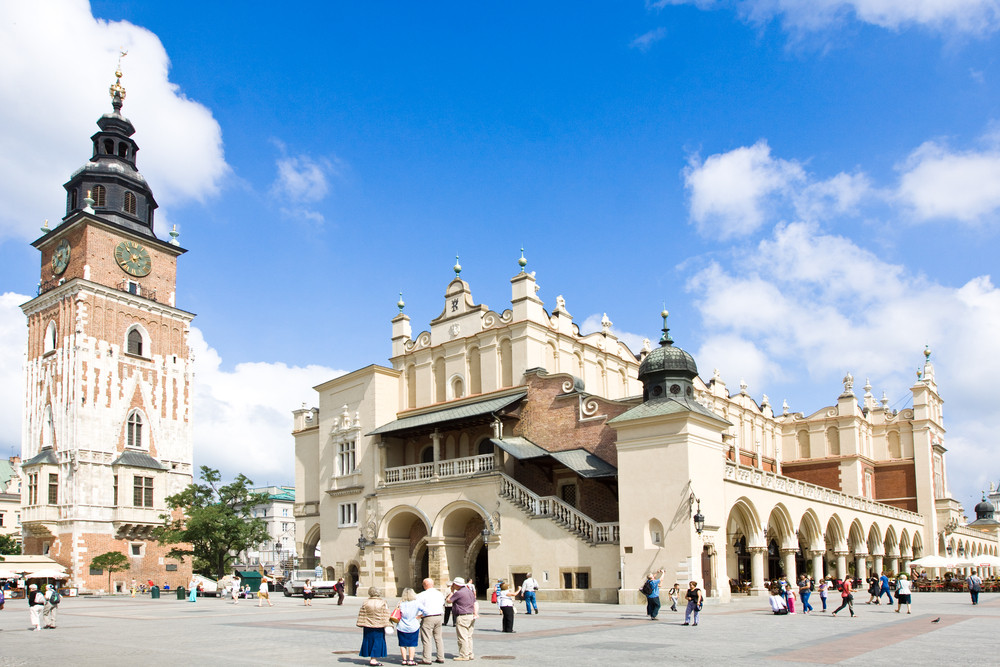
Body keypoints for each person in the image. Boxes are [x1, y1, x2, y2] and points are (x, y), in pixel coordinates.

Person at [356, 586, 390, 667]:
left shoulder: (365, 602)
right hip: (379, 625)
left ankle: (372, 658)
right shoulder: (383, 602)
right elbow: (386, 614)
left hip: (368, 625)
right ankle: (373, 660)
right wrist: (389, 624)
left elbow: (362, 613)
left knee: (369, 640)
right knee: (378, 641)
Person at [415, 577, 445, 665]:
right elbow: (442, 603)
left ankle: (427, 659)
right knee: (438, 638)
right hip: (439, 617)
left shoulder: (421, 595)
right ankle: (440, 657)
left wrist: (418, 616)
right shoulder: (440, 594)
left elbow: (418, 606)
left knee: (426, 638)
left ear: (424, 585)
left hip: (428, 617)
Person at [448, 577, 477, 661]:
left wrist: (452, 591)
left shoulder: (459, 593)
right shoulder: (469, 591)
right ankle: (470, 653)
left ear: (456, 584)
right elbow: (475, 602)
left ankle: (464, 655)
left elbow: (448, 600)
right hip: (471, 615)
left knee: (462, 637)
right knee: (469, 636)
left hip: (462, 616)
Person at [394, 587, 421, 666]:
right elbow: (425, 611)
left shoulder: (400, 603)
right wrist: (419, 616)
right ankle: (411, 660)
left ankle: (404, 660)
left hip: (402, 626)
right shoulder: (416, 603)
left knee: (402, 644)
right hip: (413, 625)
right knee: (412, 644)